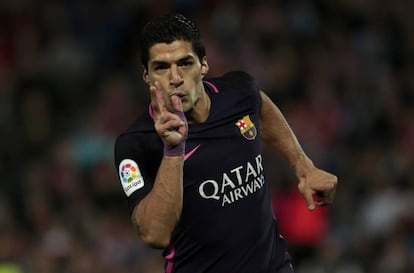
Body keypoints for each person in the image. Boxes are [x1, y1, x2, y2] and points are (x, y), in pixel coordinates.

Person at [114, 13, 337, 273]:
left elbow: (261, 106)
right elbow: (154, 234)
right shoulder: (136, 145)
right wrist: (173, 151)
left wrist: (304, 167)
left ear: (204, 65)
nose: (175, 78)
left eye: (185, 63)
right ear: (147, 76)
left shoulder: (238, 92)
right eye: (161, 67)